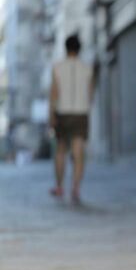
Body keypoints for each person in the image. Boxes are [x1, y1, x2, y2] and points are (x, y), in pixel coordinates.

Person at [48, 34, 95, 204]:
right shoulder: (87, 68)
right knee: (78, 151)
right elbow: (90, 94)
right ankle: (75, 188)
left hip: (63, 113)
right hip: (81, 113)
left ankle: (59, 186)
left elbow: (54, 93)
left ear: (66, 48)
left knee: (61, 150)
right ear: (79, 48)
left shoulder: (57, 67)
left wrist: (51, 114)